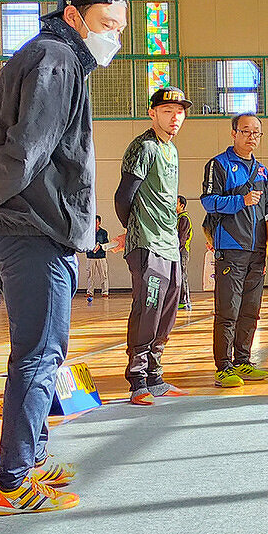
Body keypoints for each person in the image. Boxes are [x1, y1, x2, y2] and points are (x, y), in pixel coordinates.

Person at [0, 0, 127, 515]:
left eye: (119, 29)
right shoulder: (57, 60)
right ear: (73, 15)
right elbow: (25, 153)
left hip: (30, 225)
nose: (114, 38)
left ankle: (33, 455)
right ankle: (12, 479)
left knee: (41, 349)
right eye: (106, 25)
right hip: (30, 228)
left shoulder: (47, 56)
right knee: (39, 352)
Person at [113, 87, 191, 406]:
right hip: (147, 243)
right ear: (152, 113)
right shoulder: (144, 146)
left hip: (170, 244)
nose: (175, 117)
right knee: (148, 308)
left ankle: (155, 376)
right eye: (167, 111)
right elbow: (123, 197)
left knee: (168, 310)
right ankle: (138, 380)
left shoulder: (171, 150)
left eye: (180, 112)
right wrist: (131, 230)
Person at [201, 114, 268, 387]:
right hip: (230, 250)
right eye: (246, 131)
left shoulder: (262, 171)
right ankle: (224, 367)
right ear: (233, 133)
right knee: (228, 310)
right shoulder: (219, 164)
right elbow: (208, 201)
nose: (251, 137)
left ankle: (243, 361)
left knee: (250, 310)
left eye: (256, 132)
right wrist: (240, 201)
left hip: (257, 251)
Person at [86, 215, 110, 299]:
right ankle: (90, 292)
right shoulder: (89, 232)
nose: (95, 224)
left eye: (96, 222)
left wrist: (100, 246)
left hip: (101, 257)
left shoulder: (103, 232)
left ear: (99, 222)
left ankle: (105, 291)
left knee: (103, 275)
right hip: (90, 257)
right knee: (90, 275)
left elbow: (106, 243)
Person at [176, 196, 192, 310]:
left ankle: (184, 301)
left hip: (182, 251)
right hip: (178, 250)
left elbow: (182, 238)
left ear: (182, 205)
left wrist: (178, 250)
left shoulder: (184, 219)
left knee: (182, 275)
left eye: (175, 203)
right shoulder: (178, 218)